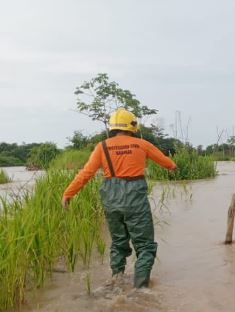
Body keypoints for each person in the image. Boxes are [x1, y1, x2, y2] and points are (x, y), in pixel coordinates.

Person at [62, 108, 177, 288]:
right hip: (135, 197)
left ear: (112, 127)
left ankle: (116, 279)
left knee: (118, 242)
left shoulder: (102, 147)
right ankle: (140, 288)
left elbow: (86, 173)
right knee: (145, 245)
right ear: (132, 126)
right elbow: (167, 163)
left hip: (111, 197)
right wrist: (172, 166)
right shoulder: (142, 144)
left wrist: (68, 193)